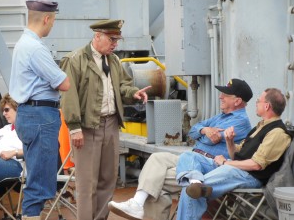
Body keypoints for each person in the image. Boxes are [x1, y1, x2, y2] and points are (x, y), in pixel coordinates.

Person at [108, 78, 253, 220]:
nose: (220, 96)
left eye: (225, 95)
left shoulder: (241, 121)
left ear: (237, 101)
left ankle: (138, 204)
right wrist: (204, 131)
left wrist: (205, 133)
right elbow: (193, 130)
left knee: (155, 180)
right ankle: (136, 203)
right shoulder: (220, 117)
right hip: (191, 159)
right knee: (156, 158)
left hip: (207, 166)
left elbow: (212, 138)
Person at [59, 19, 151, 220]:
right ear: (97, 36)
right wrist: (74, 128)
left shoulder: (114, 61)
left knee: (108, 180)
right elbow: (69, 95)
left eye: (117, 39)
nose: (115, 44)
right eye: (112, 39)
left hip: (110, 124)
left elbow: (123, 86)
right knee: (86, 184)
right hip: (87, 127)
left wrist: (133, 93)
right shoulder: (75, 60)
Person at [175, 88, 292, 220]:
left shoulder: (277, 132)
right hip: (235, 168)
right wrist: (230, 141)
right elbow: (236, 153)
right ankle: (195, 180)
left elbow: (257, 165)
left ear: (267, 106)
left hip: (249, 175)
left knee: (192, 191)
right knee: (188, 156)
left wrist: (226, 162)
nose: (256, 103)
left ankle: (196, 185)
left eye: (258, 101)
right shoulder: (260, 126)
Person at [9, 0, 70, 220]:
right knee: (41, 181)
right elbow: (64, 83)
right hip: (41, 116)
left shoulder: (22, 43)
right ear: (46, 19)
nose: (52, 25)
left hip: (30, 114)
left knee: (36, 174)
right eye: (52, 21)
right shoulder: (35, 48)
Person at [0, 93, 23, 184]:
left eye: (7, 110)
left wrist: (14, 152)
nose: (4, 113)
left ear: (18, 108)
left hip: (15, 165)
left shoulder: (28, 129)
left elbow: (35, 149)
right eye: (3, 110)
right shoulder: (4, 130)